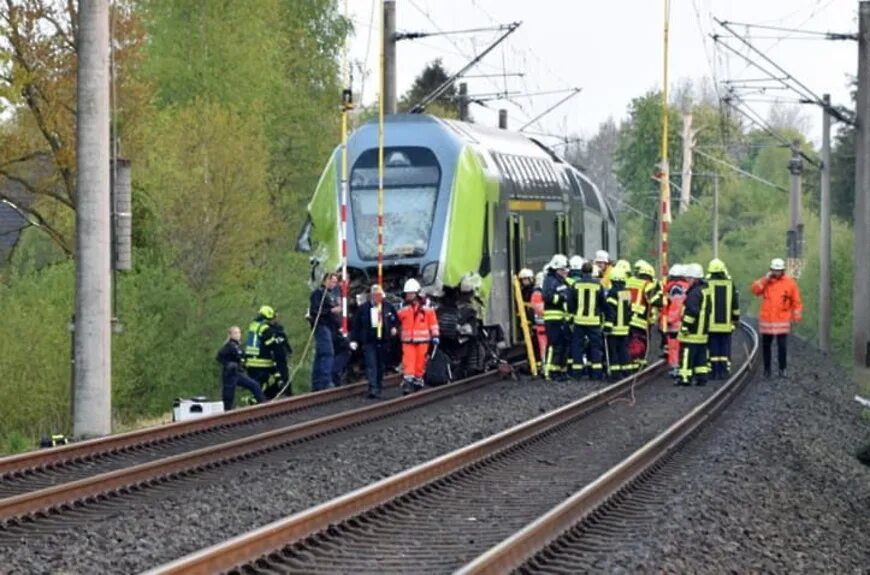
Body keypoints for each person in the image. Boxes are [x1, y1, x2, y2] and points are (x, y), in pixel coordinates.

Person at [751, 257, 802, 378]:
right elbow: (755, 290)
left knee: (782, 347)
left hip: (782, 320)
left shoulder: (790, 283)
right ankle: (767, 370)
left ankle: (782, 369)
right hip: (767, 321)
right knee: (766, 346)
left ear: (783, 271)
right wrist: (765, 279)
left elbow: (796, 301)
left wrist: (796, 317)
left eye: (778, 270)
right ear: (771, 270)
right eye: (774, 270)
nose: (776, 273)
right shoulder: (766, 282)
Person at [350, 284, 398, 398]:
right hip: (369, 341)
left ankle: (379, 384)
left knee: (380, 364)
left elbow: (395, 320)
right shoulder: (363, 309)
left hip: (383, 340)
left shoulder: (388, 307)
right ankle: (373, 387)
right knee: (371, 364)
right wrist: (354, 339)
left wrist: (394, 327)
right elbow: (356, 325)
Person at [397, 278, 440, 394]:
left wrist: (435, 335)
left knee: (420, 362)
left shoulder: (427, 309)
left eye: (411, 293)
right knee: (408, 362)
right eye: (408, 293)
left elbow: (433, 323)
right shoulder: (403, 308)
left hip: (423, 341)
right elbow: (397, 320)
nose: (409, 295)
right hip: (408, 341)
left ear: (416, 293)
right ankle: (408, 383)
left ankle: (417, 380)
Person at [567, 261, 606, 380]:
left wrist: (573, 313)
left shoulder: (575, 284)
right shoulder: (598, 285)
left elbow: (570, 302)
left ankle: (577, 373)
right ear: (591, 272)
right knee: (595, 346)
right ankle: (596, 374)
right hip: (594, 321)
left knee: (577, 346)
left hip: (579, 321)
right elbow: (602, 303)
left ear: (582, 272)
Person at [244, 305, 292, 399]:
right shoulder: (265, 329)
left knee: (257, 387)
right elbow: (273, 346)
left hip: (250, 363)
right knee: (265, 387)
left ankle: (256, 401)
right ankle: (257, 401)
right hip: (262, 363)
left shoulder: (253, 325)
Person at [706, 258, 740, 379]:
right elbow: (735, 304)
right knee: (724, 347)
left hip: (710, 324)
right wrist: (736, 319)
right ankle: (724, 370)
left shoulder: (707, 283)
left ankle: (714, 371)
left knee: (713, 347)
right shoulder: (730, 284)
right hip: (726, 324)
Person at [217, 326, 266, 410]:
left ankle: (263, 405)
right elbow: (219, 357)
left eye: (239, 332)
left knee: (254, 385)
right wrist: (228, 364)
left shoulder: (237, 345)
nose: (238, 335)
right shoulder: (229, 346)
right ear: (230, 335)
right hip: (229, 374)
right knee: (228, 396)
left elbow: (241, 357)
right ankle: (226, 413)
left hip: (238, 373)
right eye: (235, 333)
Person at [677, 263, 711, 386]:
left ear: (694, 278)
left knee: (687, 354)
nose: (687, 281)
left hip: (692, 332)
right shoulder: (705, 290)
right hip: (702, 332)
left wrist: (685, 326)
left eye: (689, 278)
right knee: (701, 356)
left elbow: (691, 311)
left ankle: (685, 378)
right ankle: (702, 378)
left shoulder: (694, 293)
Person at [626, 259, 662, 372]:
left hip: (627, 318)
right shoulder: (648, 285)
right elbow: (655, 301)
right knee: (639, 341)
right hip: (640, 320)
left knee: (629, 341)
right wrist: (661, 293)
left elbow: (623, 299)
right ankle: (637, 362)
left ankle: (633, 362)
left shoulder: (628, 282)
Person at [309, 273, 342, 391]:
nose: (334, 285)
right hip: (321, 326)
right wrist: (331, 310)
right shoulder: (318, 293)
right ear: (326, 280)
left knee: (320, 353)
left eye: (335, 282)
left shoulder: (330, 295)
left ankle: (317, 383)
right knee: (327, 352)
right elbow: (315, 311)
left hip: (330, 327)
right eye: (332, 282)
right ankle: (325, 381)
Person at [542, 254, 571, 381]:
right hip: (553, 318)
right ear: (557, 269)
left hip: (562, 318)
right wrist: (562, 298)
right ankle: (550, 372)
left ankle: (561, 371)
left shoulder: (561, 280)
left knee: (563, 345)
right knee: (555, 345)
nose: (566, 272)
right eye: (564, 269)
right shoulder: (550, 280)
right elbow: (547, 296)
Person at [603, 266, 632, 380]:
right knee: (623, 350)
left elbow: (611, 311)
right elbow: (629, 311)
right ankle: (626, 371)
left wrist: (607, 326)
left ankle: (615, 374)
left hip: (614, 329)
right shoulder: (626, 293)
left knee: (613, 351)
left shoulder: (612, 293)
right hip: (624, 328)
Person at [663, 264, 690, 378]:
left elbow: (676, 305)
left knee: (674, 347)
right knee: (684, 347)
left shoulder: (675, 288)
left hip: (675, 324)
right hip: (685, 322)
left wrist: (669, 320)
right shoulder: (687, 287)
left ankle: (675, 369)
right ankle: (684, 367)